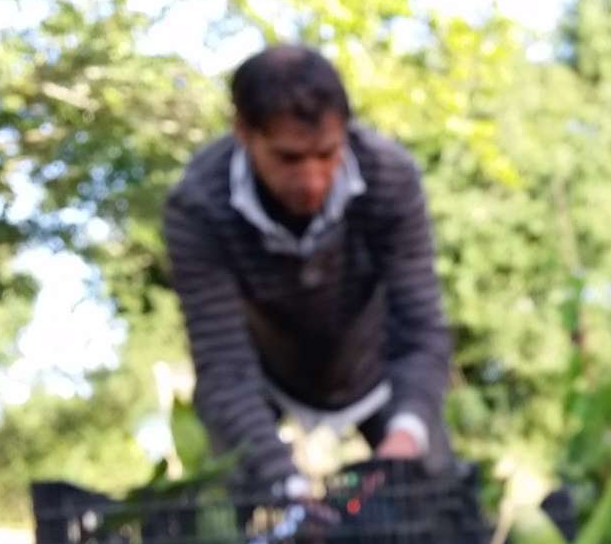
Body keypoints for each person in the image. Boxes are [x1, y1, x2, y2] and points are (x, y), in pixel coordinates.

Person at [163, 45, 452, 495]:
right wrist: (285, 483)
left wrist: (406, 435)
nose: (312, 181)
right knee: (230, 486)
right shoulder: (198, 205)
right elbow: (222, 362)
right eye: (289, 159)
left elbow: (422, 328)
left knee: (431, 490)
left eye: (326, 153)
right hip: (264, 376)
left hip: (375, 369)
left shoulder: (390, 178)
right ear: (243, 131)